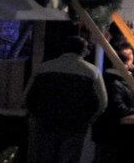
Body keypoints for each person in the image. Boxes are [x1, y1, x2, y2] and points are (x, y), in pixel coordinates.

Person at [26, 35, 107, 163]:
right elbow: (102, 103)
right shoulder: (92, 72)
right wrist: (88, 120)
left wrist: (36, 116)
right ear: (83, 50)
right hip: (75, 126)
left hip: (45, 123)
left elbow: (28, 97)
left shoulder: (43, 68)